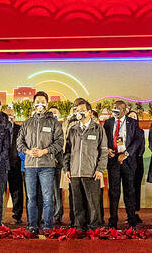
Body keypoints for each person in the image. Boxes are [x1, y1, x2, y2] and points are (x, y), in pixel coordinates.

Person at [17, 91, 64, 234]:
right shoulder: (27, 123)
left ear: (47, 104)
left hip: (47, 166)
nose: (40, 104)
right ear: (33, 104)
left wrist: (45, 151)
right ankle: (32, 225)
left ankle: (48, 226)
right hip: (30, 166)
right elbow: (19, 142)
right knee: (31, 198)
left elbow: (59, 142)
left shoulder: (54, 123)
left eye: (43, 102)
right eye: (37, 101)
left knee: (48, 198)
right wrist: (28, 151)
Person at [65, 98, 107, 232]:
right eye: (77, 110)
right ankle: (79, 226)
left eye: (82, 110)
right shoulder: (73, 130)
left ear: (89, 112)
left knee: (93, 203)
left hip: (91, 172)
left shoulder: (98, 129)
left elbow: (103, 151)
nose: (79, 113)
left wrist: (100, 169)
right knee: (77, 203)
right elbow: (67, 151)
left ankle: (95, 227)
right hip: (75, 172)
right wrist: (67, 169)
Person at [103, 99, 143, 229]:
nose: (115, 110)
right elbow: (103, 139)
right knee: (113, 192)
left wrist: (126, 154)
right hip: (113, 160)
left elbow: (138, 140)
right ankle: (113, 220)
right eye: (114, 108)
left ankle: (131, 220)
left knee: (129, 191)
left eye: (118, 108)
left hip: (128, 160)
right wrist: (107, 150)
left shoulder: (133, 123)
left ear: (125, 110)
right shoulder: (108, 123)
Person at [48, 106, 66, 226]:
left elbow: (60, 145)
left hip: (58, 163)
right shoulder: (45, 126)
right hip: (45, 162)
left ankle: (58, 214)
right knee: (46, 191)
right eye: (51, 112)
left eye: (55, 113)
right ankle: (47, 214)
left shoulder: (62, 126)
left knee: (57, 190)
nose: (53, 114)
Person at [126, 110, 145, 213]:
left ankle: (136, 211)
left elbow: (142, 148)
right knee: (129, 187)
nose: (132, 119)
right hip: (126, 161)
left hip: (137, 161)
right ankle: (130, 211)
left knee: (137, 186)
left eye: (134, 117)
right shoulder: (123, 131)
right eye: (130, 117)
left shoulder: (140, 131)